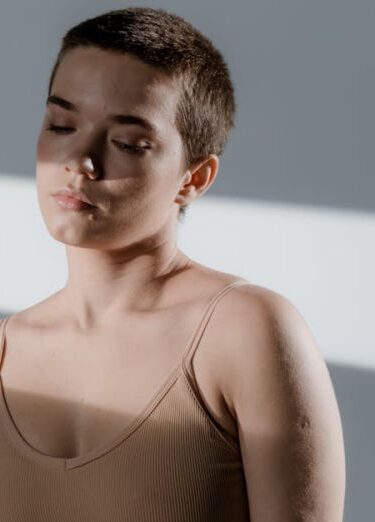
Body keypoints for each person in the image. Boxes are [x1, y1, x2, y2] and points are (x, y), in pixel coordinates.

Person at [0, 6, 345, 521]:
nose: (80, 162)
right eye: (61, 124)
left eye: (128, 143)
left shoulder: (246, 332)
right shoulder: (8, 350)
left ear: (195, 177)